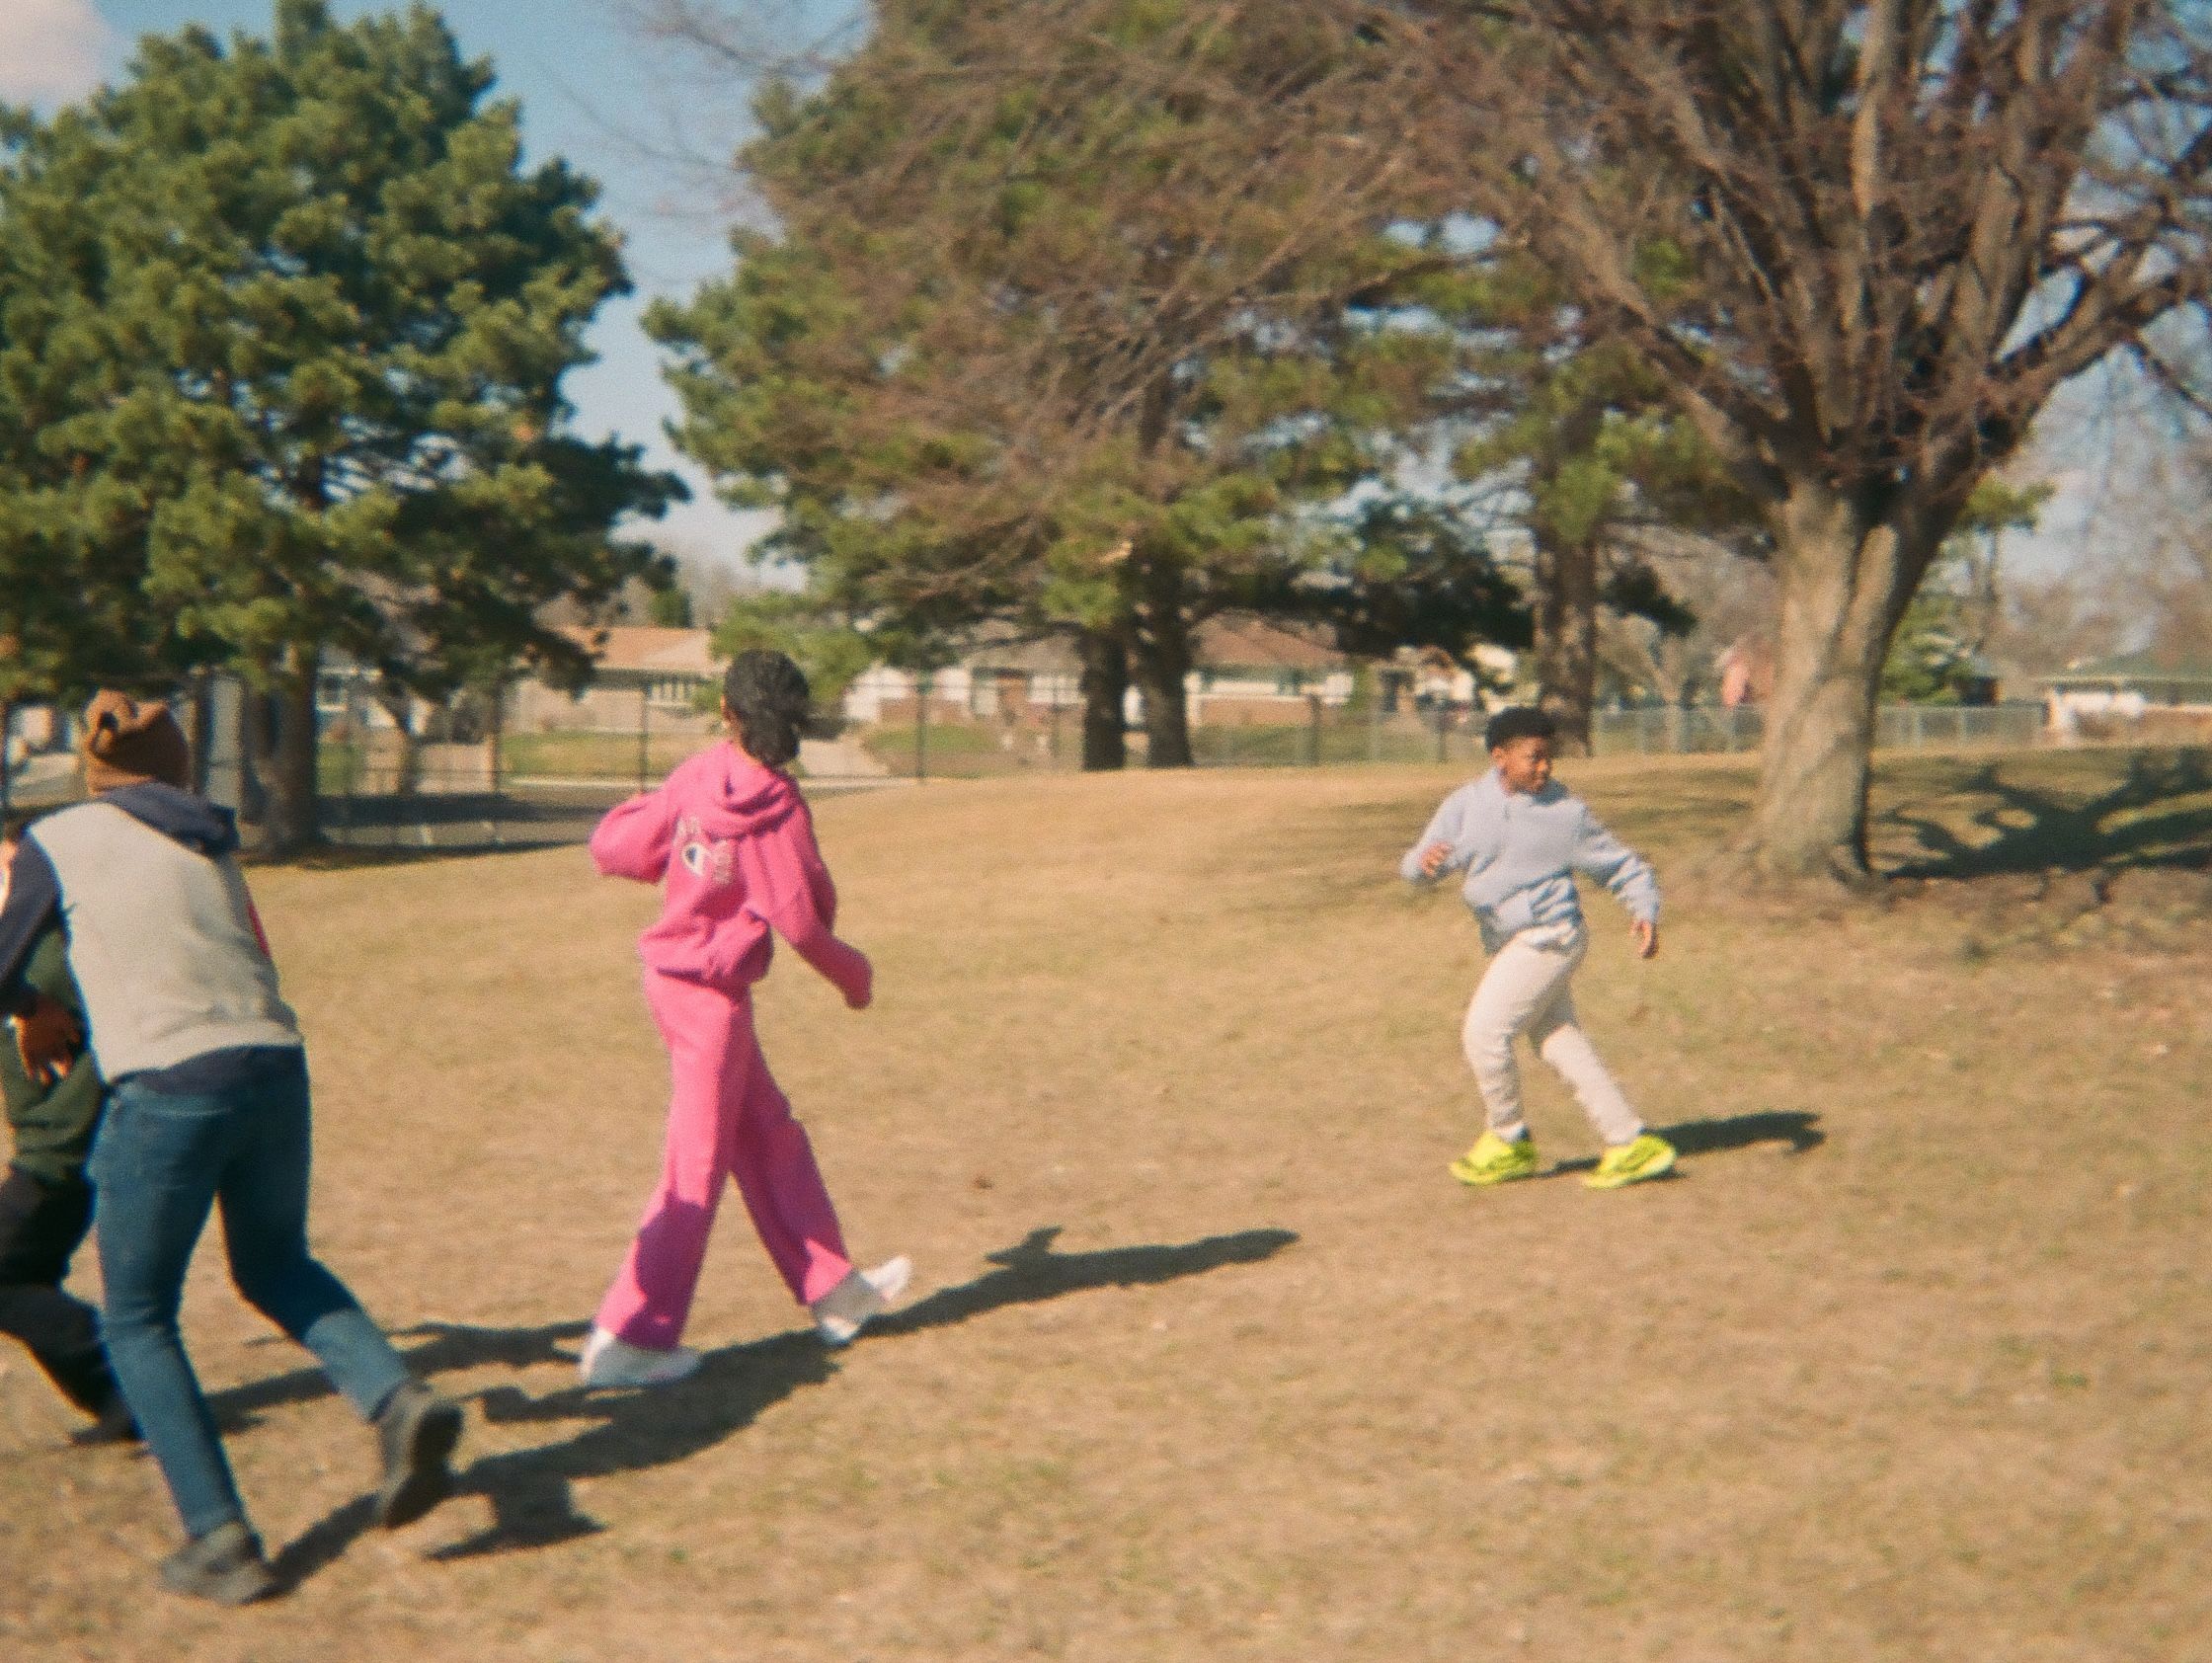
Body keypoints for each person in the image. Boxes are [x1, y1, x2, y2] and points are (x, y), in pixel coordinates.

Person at [0, 693, 463, 1605]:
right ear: (176, 768)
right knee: (277, 1263)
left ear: (96, 774)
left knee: (136, 1316)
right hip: (275, 1066)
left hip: (170, 1086)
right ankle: (396, 1398)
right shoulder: (209, 835)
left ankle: (221, 1538)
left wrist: (33, 1013)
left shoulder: (63, 836)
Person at [579, 649, 908, 1390]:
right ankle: (630, 1337)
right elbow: (802, 923)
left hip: (672, 984)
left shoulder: (697, 776)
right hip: (712, 1004)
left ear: (728, 713)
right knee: (694, 1167)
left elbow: (620, 848)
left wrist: (641, 811)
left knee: (767, 1135)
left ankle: (834, 1290)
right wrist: (855, 978)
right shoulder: (781, 810)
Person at [1400, 706, 1677, 1190]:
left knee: (1484, 1032)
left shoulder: (1565, 814)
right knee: (1558, 1041)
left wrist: (1644, 910)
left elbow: (1623, 867)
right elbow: (1418, 864)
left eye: (1549, 757)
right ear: (1499, 758)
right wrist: (1424, 865)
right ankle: (1630, 1142)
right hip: (1512, 941)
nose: (1545, 767)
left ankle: (1508, 1140)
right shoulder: (1465, 805)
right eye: (1535, 758)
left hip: (1551, 935)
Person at [0, 812, 131, 1441]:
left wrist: (24, 1001)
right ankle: (118, 1398)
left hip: (66, 1151)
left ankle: (132, 1372)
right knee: (28, 1277)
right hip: (55, 1145)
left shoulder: (48, 954)